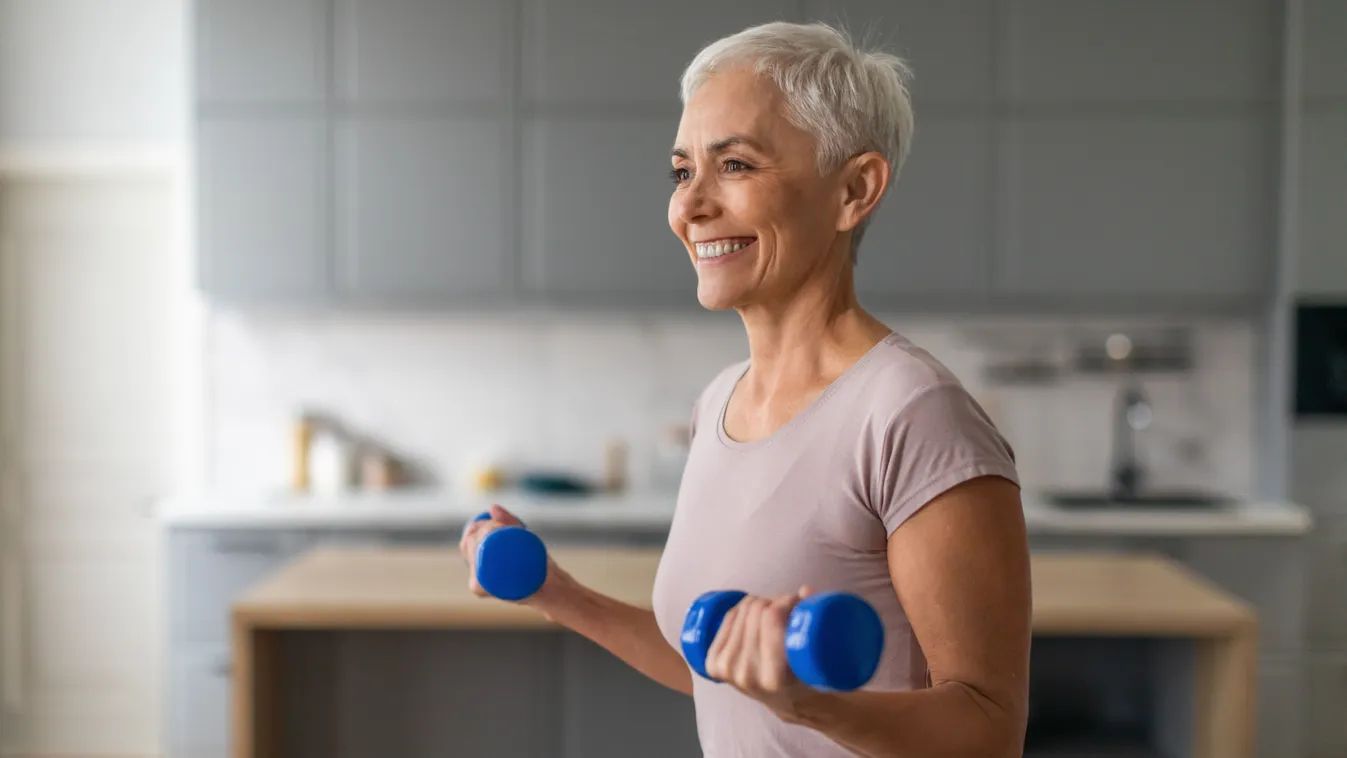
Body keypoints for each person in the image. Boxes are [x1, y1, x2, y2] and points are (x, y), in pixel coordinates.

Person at [460, 19, 1031, 758]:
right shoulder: (721, 401)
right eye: (681, 170)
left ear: (854, 190)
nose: (689, 205)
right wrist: (558, 595)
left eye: (734, 165)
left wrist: (812, 705)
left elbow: (987, 731)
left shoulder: (912, 415)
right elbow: (713, 670)